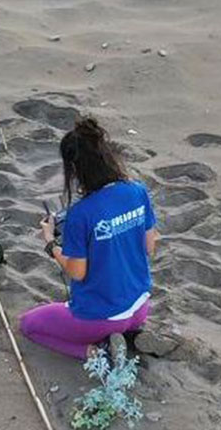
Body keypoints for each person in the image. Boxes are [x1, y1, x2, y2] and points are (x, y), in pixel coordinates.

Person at [19, 117, 160, 359]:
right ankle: (129, 337)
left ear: (74, 170)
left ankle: (95, 352)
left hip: (100, 318)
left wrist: (51, 243)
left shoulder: (80, 214)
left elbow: (77, 273)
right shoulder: (138, 191)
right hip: (139, 308)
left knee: (28, 324)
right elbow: (149, 246)